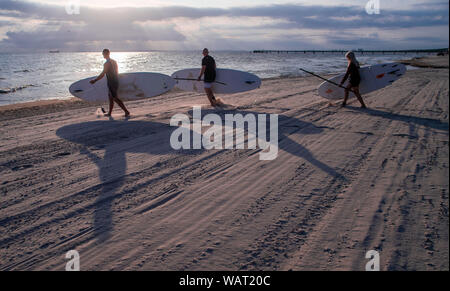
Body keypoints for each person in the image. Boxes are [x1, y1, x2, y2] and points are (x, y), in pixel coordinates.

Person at [90, 49, 130, 117]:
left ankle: (126, 111)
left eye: (103, 54)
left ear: (105, 54)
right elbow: (117, 72)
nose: (103, 55)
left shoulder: (106, 64)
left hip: (111, 82)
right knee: (110, 97)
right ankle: (110, 113)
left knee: (114, 98)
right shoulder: (114, 61)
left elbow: (103, 74)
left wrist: (95, 80)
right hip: (115, 81)